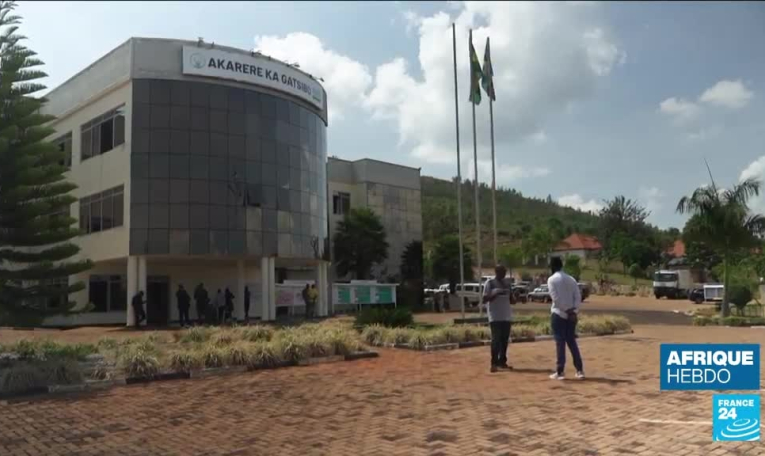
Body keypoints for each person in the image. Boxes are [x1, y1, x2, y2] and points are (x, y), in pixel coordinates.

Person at [547, 256, 585, 380]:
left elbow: (556, 299)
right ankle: (579, 370)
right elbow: (578, 297)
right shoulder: (571, 279)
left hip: (559, 314)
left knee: (560, 343)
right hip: (571, 316)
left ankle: (560, 371)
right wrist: (573, 311)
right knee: (572, 342)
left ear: (552, 266)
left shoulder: (551, 280)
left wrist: (566, 310)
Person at [482, 264, 514, 373]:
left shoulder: (507, 284)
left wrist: (517, 297)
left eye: (504, 272)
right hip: (495, 316)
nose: (504, 274)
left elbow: (511, 300)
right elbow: (485, 299)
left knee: (504, 340)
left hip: (506, 316)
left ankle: (502, 362)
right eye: (501, 271)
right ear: (496, 272)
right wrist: (496, 294)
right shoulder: (490, 283)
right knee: (496, 340)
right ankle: (494, 363)